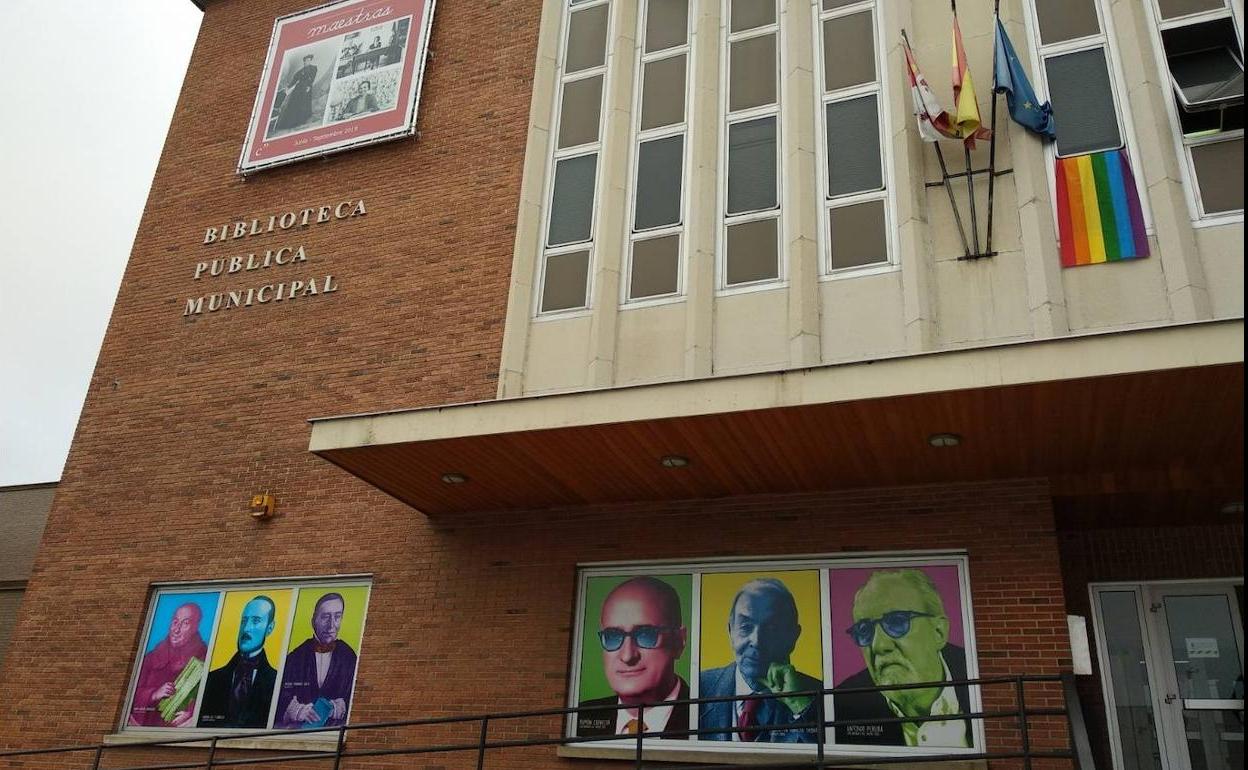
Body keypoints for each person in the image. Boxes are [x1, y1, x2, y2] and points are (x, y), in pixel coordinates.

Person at [833, 569, 971, 747]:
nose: (879, 646)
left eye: (897, 622)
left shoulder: (979, 676)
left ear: (939, 632)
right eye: (864, 630)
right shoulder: (843, 704)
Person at [699, 578, 821, 743]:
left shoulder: (819, 698)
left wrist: (798, 704)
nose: (756, 641)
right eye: (745, 627)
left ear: (793, 637)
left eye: (772, 629)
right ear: (730, 632)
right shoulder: (700, 687)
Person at [577, 578, 690, 739]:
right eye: (612, 636)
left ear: (679, 641)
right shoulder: (580, 717)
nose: (628, 655)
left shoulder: (709, 718)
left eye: (646, 634)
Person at [274, 592, 359, 729]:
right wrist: (295, 710)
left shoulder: (349, 656)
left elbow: (357, 696)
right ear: (314, 620)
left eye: (337, 617)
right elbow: (279, 697)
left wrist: (339, 707)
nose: (331, 625)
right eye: (325, 617)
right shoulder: (295, 658)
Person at [198, 596, 279, 729]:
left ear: (269, 628)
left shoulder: (276, 681)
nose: (246, 628)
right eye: (244, 621)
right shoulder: (212, 679)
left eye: (256, 621)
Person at [130, 602, 208, 727]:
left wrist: (193, 714)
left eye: (185, 623)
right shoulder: (152, 657)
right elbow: (130, 694)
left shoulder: (205, 658)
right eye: (175, 622)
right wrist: (154, 694)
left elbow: (212, 698)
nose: (176, 629)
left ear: (195, 627)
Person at [273, 54, 317, 132]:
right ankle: (294, 122)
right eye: (307, 60)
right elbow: (294, 80)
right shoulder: (299, 71)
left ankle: (303, 119)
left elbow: (312, 78)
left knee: (304, 103)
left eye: (310, 60)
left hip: (306, 88)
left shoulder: (313, 68)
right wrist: (288, 87)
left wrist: (309, 86)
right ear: (304, 61)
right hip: (298, 88)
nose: (308, 62)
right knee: (295, 104)